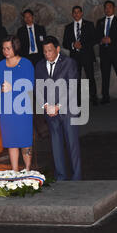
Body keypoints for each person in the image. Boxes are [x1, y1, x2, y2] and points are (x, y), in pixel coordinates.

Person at [35, 36, 82, 181]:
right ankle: (60, 176)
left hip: (67, 110)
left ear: (57, 49)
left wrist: (58, 106)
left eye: (50, 50)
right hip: (50, 112)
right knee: (56, 146)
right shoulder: (39, 66)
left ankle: (76, 177)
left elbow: (72, 87)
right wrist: (46, 106)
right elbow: (37, 88)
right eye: (44, 52)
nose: (47, 54)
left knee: (72, 145)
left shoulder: (69, 63)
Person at [0, 35, 34, 171]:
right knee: (11, 141)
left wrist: (13, 88)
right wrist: (1, 89)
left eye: (8, 48)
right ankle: (15, 170)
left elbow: (30, 85)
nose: (5, 51)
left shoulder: (26, 63)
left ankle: (28, 169)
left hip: (22, 108)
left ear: (15, 48)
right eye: (3, 49)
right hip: (6, 109)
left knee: (25, 139)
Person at [95, 0, 117, 104]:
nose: (107, 9)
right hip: (104, 53)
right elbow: (96, 36)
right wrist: (101, 40)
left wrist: (112, 39)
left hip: (116, 53)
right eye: (106, 7)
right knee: (105, 76)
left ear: (114, 8)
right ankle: (105, 97)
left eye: (110, 7)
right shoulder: (100, 22)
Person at [63, 6, 98, 106]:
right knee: (75, 79)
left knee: (90, 77)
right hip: (75, 57)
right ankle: (76, 100)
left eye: (78, 12)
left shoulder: (89, 25)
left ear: (82, 13)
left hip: (87, 55)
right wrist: (73, 45)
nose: (76, 14)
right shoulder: (68, 27)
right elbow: (65, 43)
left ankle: (94, 98)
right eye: (74, 12)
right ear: (72, 14)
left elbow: (94, 39)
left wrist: (83, 45)